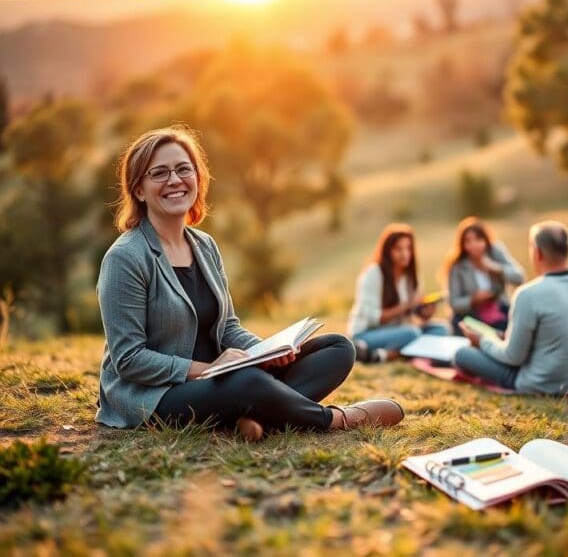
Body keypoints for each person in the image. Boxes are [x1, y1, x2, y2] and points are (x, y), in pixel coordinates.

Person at [96, 126, 404, 440]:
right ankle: (336, 419)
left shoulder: (204, 246)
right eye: (159, 173)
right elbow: (128, 359)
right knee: (247, 384)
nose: (174, 180)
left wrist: (266, 352)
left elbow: (227, 327)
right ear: (139, 190)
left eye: (183, 169)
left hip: (222, 379)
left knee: (338, 347)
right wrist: (207, 369)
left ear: (197, 179)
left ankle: (255, 416)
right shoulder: (126, 257)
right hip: (157, 394)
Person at [456, 221, 568, 394]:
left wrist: (481, 341)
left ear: (537, 253)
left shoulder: (527, 294)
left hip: (541, 384)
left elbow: (513, 357)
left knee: (462, 354)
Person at [348, 223, 449, 362]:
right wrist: (407, 305)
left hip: (399, 331)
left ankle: (386, 355)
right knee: (411, 333)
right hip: (367, 334)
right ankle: (407, 352)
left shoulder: (412, 276)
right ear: (387, 251)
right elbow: (375, 318)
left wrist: (424, 313)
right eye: (398, 249)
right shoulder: (373, 274)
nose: (405, 254)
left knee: (442, 329)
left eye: (408, 248)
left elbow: (413, 314)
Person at [444, 217, 525, 335]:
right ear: (462, 244)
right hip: (471, 314)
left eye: (478, 239)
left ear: (486, 240)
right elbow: (454, 303)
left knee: (512, 326)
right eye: (468, 241)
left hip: (498, 311)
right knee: (464, 327)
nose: (474, 245)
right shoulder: (458, 266)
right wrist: (473, 300)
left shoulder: (495, 252)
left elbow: (519, 277)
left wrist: (496, 268)